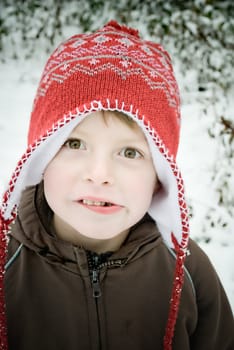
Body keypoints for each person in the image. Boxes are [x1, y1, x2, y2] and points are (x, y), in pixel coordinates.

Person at [0, 20, 233, 350]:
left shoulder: (190, 274)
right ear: (40, 157)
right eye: (75, 144)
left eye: (129, 152)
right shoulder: (4, 267)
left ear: (160, 177)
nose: (99, 174)